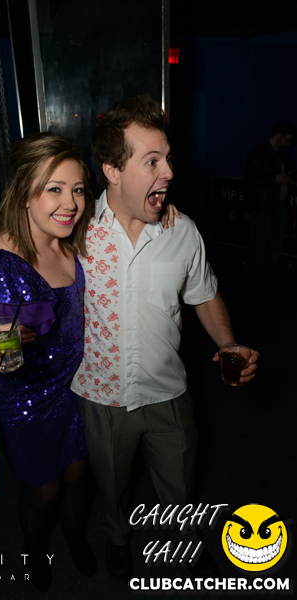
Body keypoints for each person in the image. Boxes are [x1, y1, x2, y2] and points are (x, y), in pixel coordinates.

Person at [70, 95, 259, 580]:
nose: (169, 172)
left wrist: (227, 343)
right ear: (112, 170)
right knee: (111, 487)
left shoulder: (183, 231)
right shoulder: (76, 232)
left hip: (168, 392)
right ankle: (116, 536)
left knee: (179, 483)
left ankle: (182, 543)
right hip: (103, 396)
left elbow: (204, 295)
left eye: (168, 158)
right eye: (152, 161)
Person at [0, 132, 96, 592]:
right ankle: (34, 547)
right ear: (24, 195)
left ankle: (75, 535)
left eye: (77, 189)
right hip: (25, 399)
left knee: (79, 474)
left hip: (78, 388)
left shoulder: (73, 240)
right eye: (54, 189)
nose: (70, 203)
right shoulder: (1, 263)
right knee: (44, 489)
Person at [243, 120, 297, 288]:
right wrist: (275, 179)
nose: (288, 144)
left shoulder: (282, 154)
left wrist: (288, 181)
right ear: (279, 135)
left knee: (274, 247)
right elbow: (249, 180)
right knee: (258, 247)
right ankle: (249, 282)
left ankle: (264, 279)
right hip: (263, 207)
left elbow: (282, 176)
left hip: (279, 206)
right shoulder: (259, 153)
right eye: (287, 139)